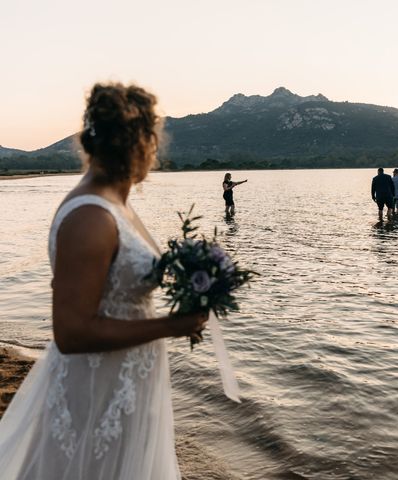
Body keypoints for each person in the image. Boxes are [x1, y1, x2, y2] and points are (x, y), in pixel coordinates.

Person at [0, 83, 208, 479]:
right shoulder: (90, 216)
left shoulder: (117, 203)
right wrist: (173, 326)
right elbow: (72, 332)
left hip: (128, 381)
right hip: (98, 389)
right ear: (143, 143)